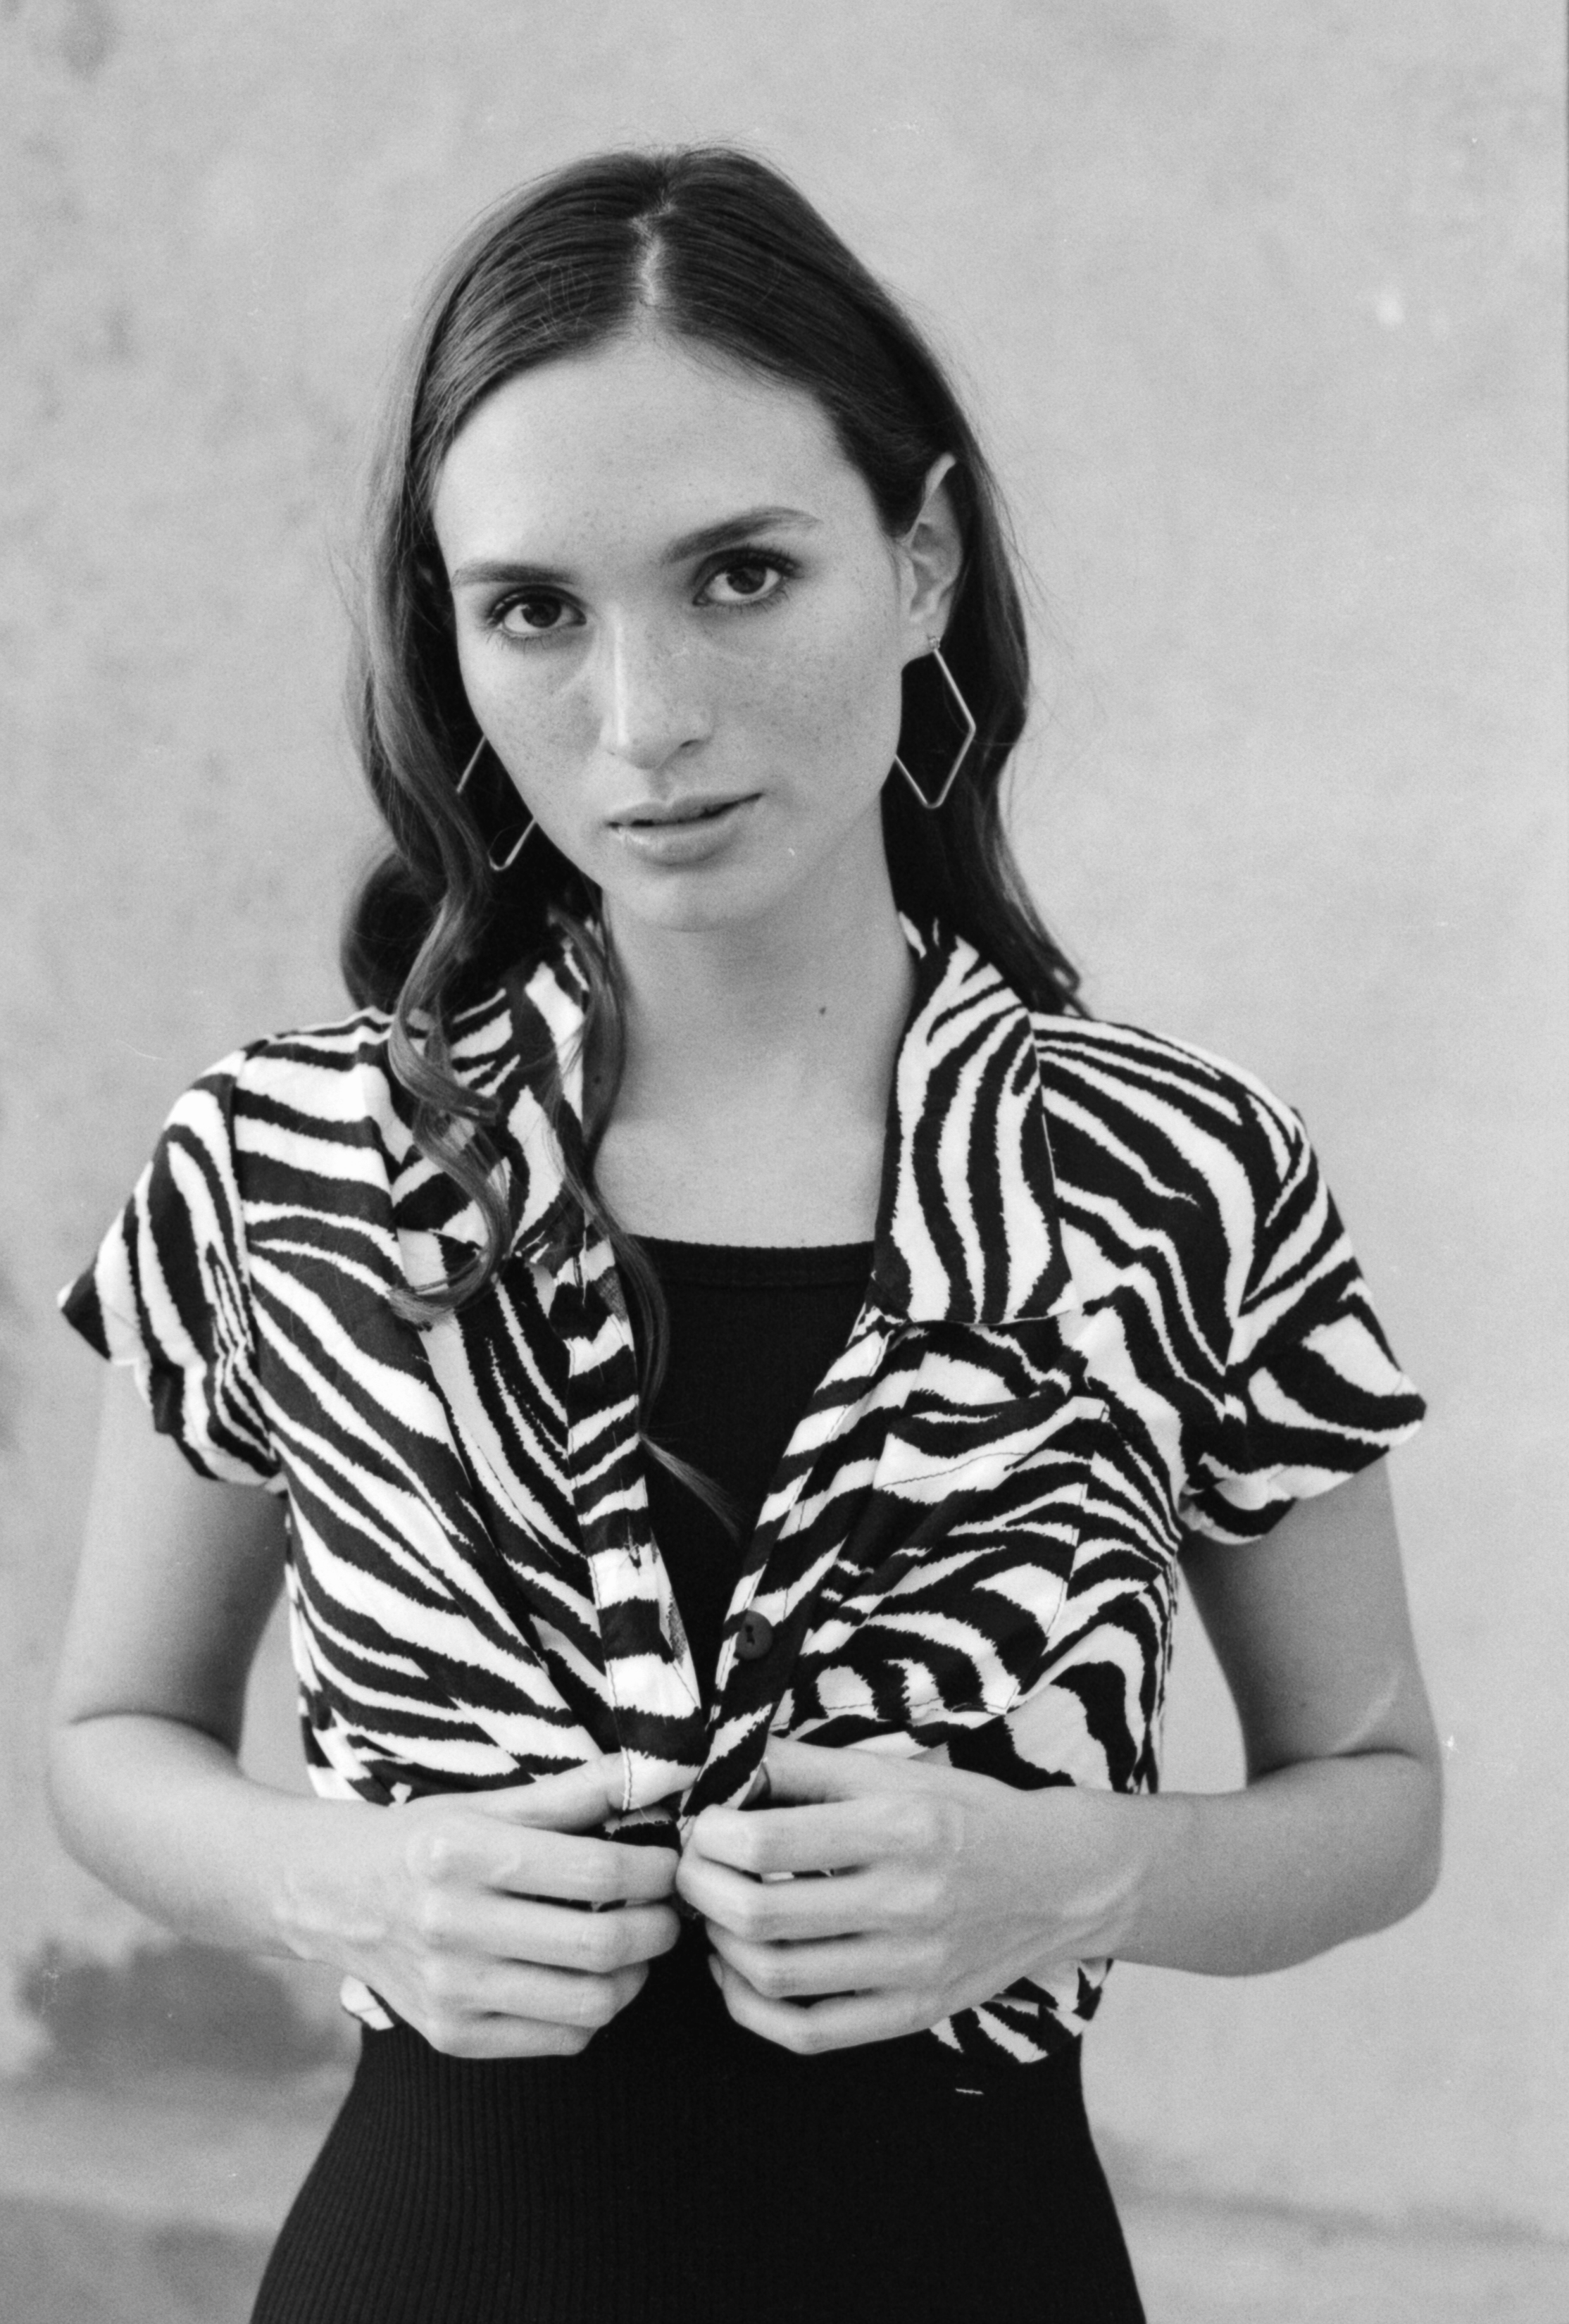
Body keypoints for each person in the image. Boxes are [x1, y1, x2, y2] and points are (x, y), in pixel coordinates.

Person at [46, 147, 1442, 2324]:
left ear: (920, 560)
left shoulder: (1176, 1169)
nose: (645, 718)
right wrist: (348, 1882)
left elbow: (1377, 1798)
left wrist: (1078, 1871)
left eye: (739, 574)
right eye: (535, 608)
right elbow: (112, 1733)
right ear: (450, 635)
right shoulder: (284, 1153)